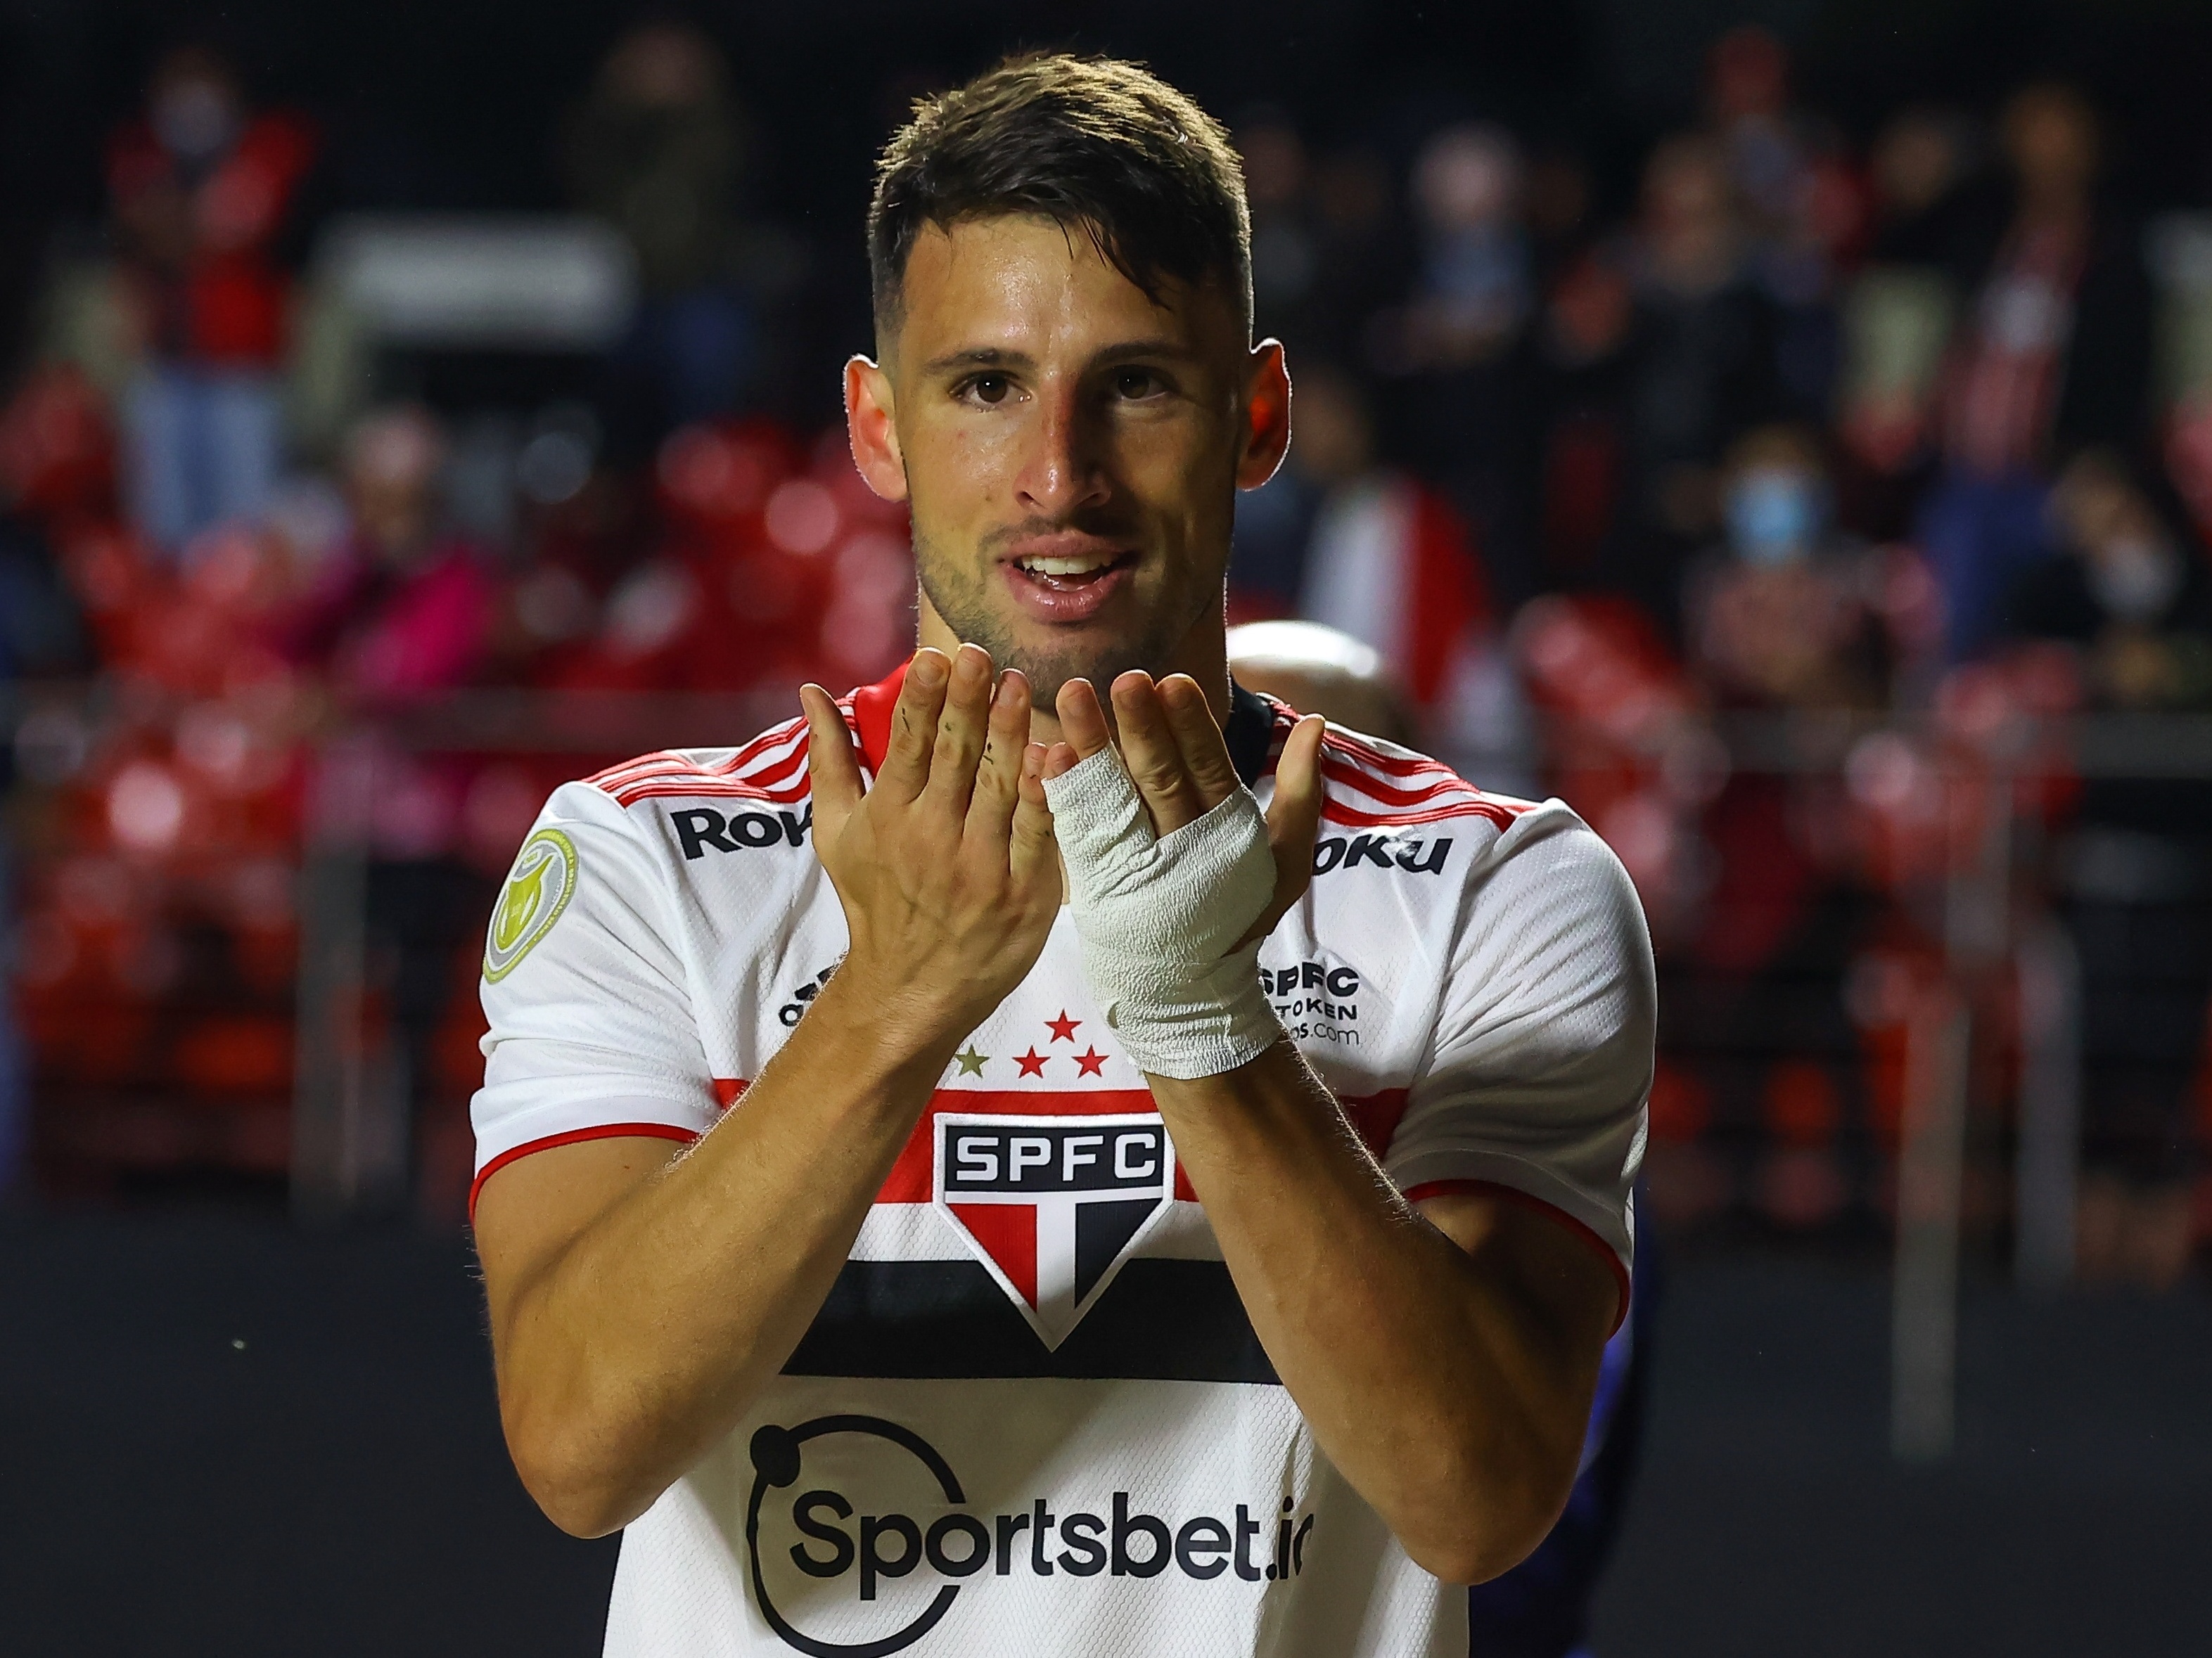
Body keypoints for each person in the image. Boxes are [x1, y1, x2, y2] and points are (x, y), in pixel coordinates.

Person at [469, 55, 1651, 1658]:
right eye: (983, 386)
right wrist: (891, 1002)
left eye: (1139, 383)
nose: (1060, 475)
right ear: (877, 428)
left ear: (1259, 415)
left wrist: (1198, 1013)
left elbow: (1482, 1496)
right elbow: (579, 1440)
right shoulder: (645, 855)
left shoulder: (1503, 884)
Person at [106, 45, 316, 552]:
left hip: (241, 369)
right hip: (166, 365)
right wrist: (186, 222)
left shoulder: (269, 146)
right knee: (161, 525)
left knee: (241, 527)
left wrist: (180, 221)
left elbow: (238, 225)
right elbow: (153, 228)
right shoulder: (141, 150)